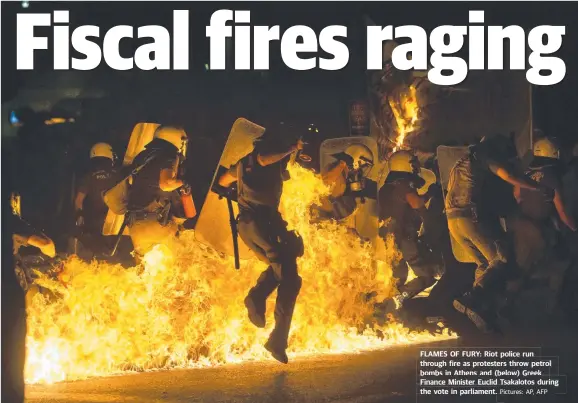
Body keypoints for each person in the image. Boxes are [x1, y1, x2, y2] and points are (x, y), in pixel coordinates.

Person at [217, 131, 304, 364]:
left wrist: (237, 184)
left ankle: (256, 297)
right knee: (290, 279)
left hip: (249, 227)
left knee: (280, 267)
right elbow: (264, 159)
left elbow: (224, 180)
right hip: (263, 225)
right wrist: (291, 148)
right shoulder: (260, 160)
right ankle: (277, 340)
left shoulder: (243, 164)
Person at [445, 135, 541, 332]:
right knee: (500, 259)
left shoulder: (460, 162)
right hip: (469, 218)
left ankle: (479, 310)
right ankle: (471, 298)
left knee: (484, 264)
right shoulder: (484, 156)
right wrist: (536, 187)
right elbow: (506, 175)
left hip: (452, 221)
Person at [376, 150, 442, 312]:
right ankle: (397, 301)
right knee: (427, 275)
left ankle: (387, 310)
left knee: (398, 278)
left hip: (389, 240)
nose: (416, 168)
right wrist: (430, 196)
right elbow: (416, 203)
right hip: (404, 238)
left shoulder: (385, 187)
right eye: (413, 164)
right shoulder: (403, 184)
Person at [126, 126, 190, 259]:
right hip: (155, 223)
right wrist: (183, 183)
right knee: (172, 269)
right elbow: (166, 184)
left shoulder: (142, 157)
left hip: (135, 225)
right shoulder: (169, 155)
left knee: (145, 273)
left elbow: (132, 182)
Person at [73, 143, 119, 257]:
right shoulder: (118, 175)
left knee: (95, 250)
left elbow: (79, 200)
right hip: (115, 221)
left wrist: (79, 216)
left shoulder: (88, 177)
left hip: (93, 220)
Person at [311, 143, 375, 223]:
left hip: (333, 218)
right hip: (325, 219)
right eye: (362, 166)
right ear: (355, 162)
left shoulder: (345, 174)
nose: (361, 170)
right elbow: (324, 183)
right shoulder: (336, 172)